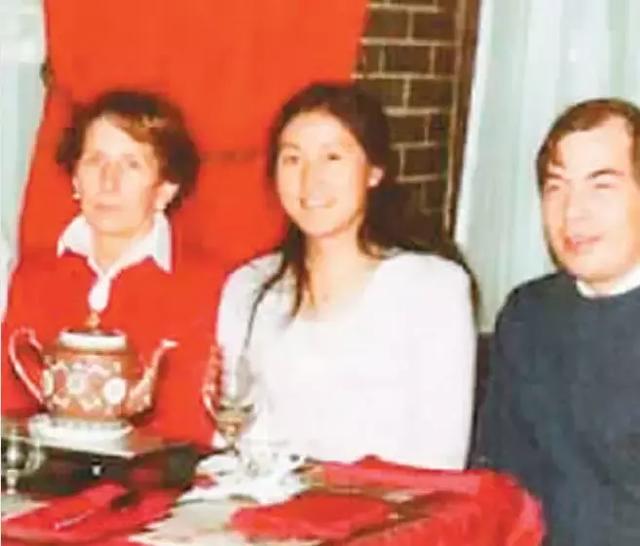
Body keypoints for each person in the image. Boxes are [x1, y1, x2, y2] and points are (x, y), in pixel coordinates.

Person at [216, 82, 476, 469]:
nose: (310, 180)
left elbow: (442, 459)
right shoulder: (248, 286)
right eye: (292, 159)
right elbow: (228, 434)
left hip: (389, 504)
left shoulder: (431, 288)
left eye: (332, 157)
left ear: (374, 171)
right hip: (262, 501)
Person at [2, 90, 226, 447]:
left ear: (164, 189)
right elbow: (9, 406)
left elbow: (188, 426)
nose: (109, 182)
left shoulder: (206, 283)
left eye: (131, 165)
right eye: (95, 161)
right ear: (75, 179)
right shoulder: (34, 274)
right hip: (43, 470)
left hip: (157, 475)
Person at [475, 98, 640, 545]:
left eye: (601, 186)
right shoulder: (530, 315)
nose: (572, 213)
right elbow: (499, 483)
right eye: (556, 187)